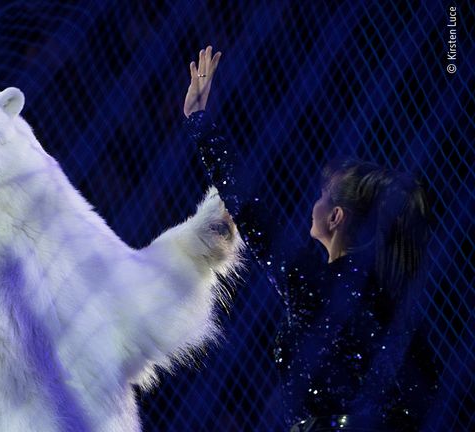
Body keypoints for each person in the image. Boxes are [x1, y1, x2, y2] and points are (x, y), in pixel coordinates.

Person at [182, 46, 439, 431]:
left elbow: (252, 213)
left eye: (323, 196)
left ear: (336, 217)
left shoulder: (319, 284)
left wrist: (198, 122)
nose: (313, 204)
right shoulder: (393, 297)